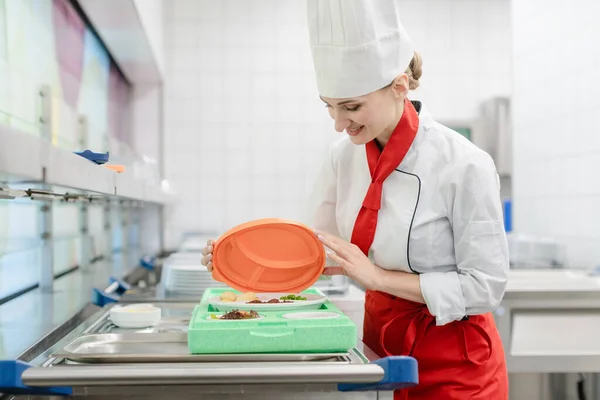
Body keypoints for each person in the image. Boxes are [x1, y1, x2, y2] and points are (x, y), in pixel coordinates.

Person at [202, 0, 509, 398]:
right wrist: (237, 260)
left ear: (399, 87)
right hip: (377, 350)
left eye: (351, 107)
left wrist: (378, 278)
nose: (338, 123)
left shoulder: (465, 165)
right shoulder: (342, 156)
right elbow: (319, 252)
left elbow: (486, 286)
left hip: (456, 363)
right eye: (329, 106)